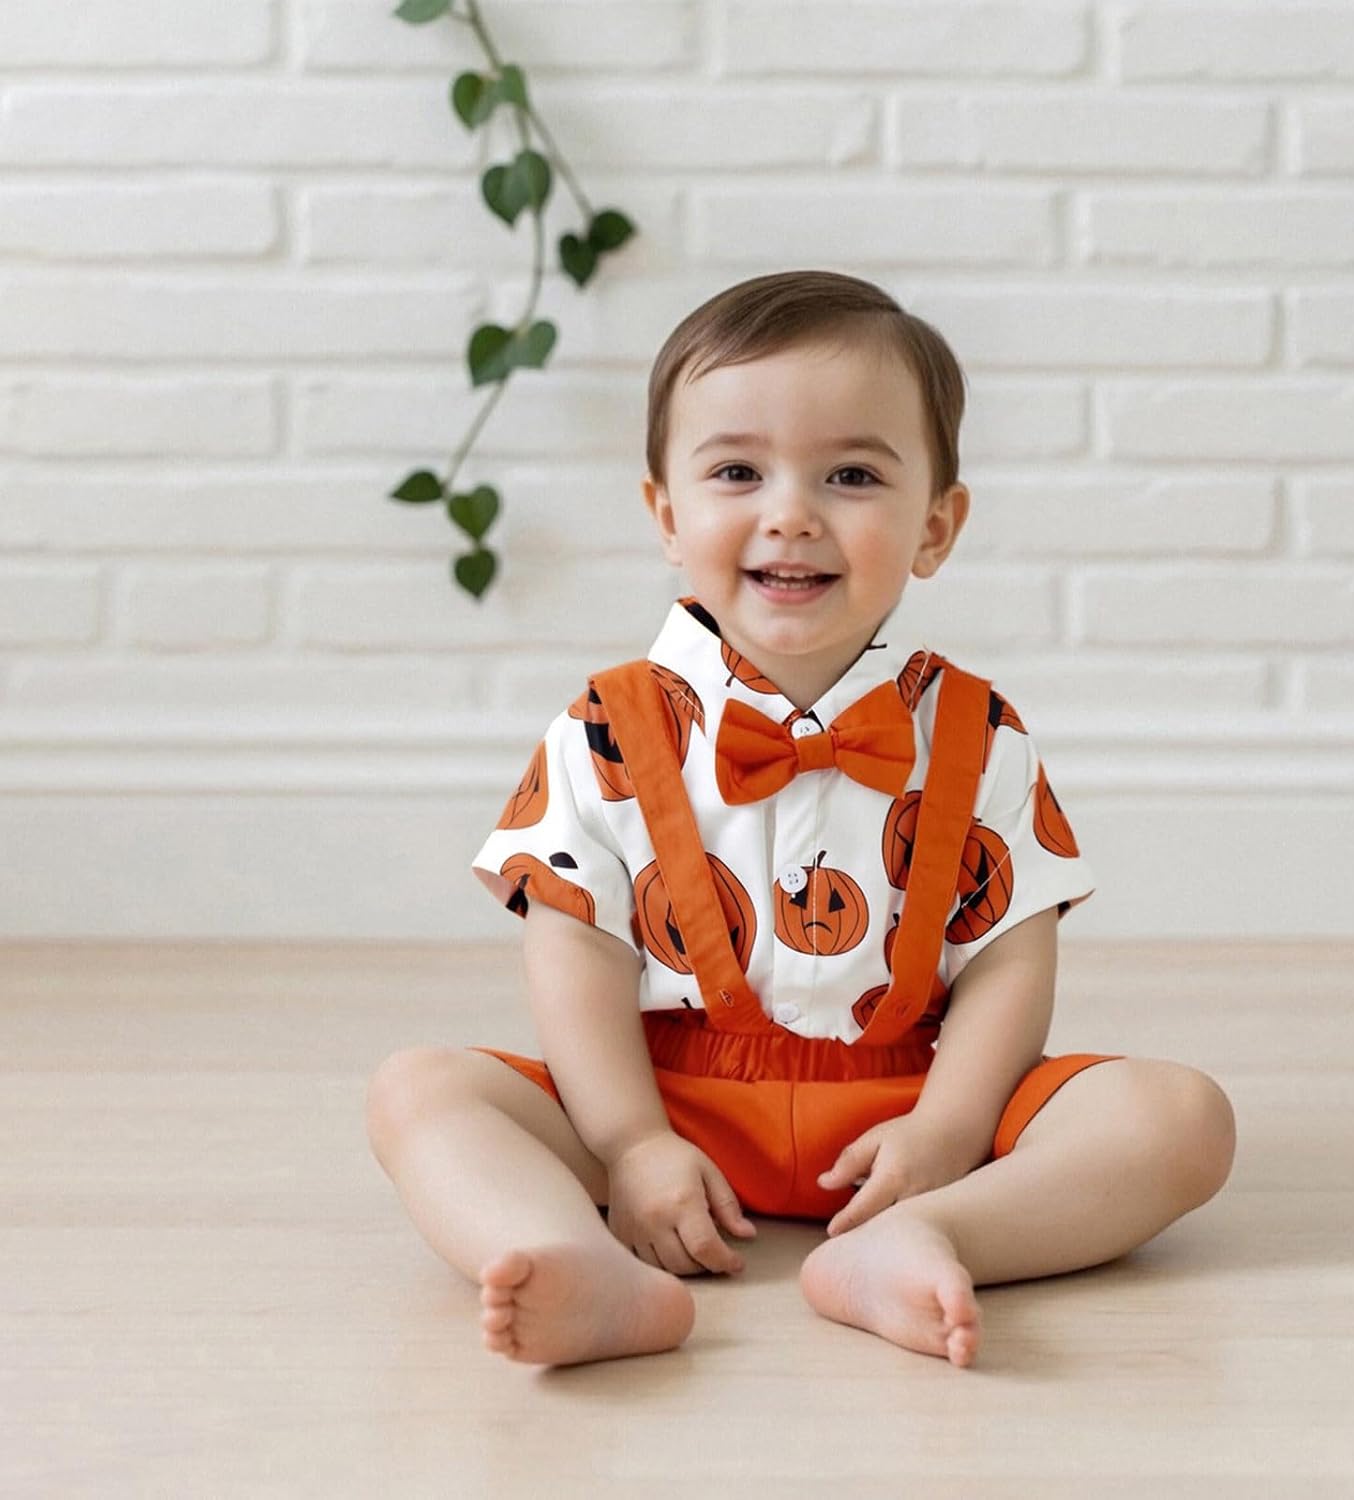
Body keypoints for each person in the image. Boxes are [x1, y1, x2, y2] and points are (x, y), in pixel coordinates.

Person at [364, 269, 1237, 1371]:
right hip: (665, 1104)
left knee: (1181, 1116)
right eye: (738, 471)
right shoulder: (608, 728)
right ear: (668, 517)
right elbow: (576, 949)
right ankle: (577, 1261)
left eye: (852, 475)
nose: (791, 514)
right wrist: (630, 1145)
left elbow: (1011, 956)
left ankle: (932, 1234)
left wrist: (948, 1134)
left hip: (909, 1103)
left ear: (935, 526)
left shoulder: (976, 732)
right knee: (419, 1091)